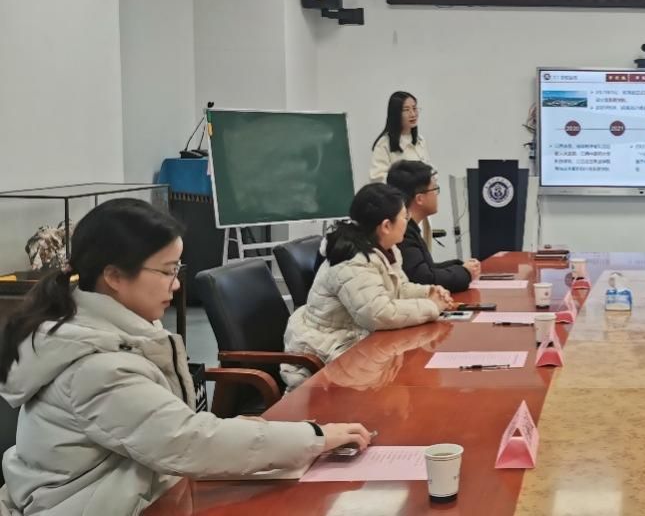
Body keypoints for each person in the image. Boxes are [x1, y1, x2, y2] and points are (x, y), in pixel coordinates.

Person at [0, 199, 370, 516]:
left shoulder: (116, 331)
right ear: (114, 276)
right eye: (167, 271)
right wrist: (315, 437)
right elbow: (188, 441)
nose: (177, 284)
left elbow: (170, 432)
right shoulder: (95, 367)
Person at [282, 183, 453, 388]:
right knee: (405, 379)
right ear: (386, 226)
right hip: (326, 352)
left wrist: (428, 293)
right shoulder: (353, 261)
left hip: (355, 341)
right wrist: (431, 307)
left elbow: (398, 289)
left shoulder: (385, 249)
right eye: (404, 217)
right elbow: (377, 314)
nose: (407, 222)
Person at [385, 160, 480, 292]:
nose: (436, 194)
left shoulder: (409, 228)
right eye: (435, 189)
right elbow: (423, 279)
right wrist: (465, 273)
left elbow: (427, 268)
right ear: (419, 199)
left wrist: (461, 266)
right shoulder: (402, 233)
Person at [369, 91, 429, 183]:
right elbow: (377, 178)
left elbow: (428, 169)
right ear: (396, 113)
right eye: (406, 110)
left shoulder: (420, 140)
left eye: (414, 108)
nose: (413, 114)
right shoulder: (384, 144)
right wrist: (408, 182)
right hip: (399, 192)